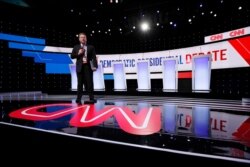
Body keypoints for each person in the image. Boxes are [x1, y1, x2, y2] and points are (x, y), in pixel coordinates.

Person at [71, 32, 98, 104]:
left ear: (86, 38)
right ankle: (78, 98)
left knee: (89, 83)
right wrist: (78, 53)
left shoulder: (91, 47)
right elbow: (72, 56)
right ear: (79, 39)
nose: (83, 38)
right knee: (79, 84)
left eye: (84, 37)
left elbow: (94, 58)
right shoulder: (76, 47)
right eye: (81, 37)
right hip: (79, 67)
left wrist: (94, 66)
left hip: (88, 67)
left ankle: (91, 98)